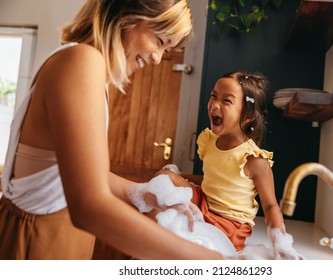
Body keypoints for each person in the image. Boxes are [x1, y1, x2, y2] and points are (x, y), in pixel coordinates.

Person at [0, 0, 223, 260]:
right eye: (160, 40)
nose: (157, 58)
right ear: (128, 15)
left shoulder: (84, 65)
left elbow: (73, 171)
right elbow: (89, 207)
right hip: (37, 242)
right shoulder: (81, 61)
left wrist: (140, 193)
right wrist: (210, 261)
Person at [158, 71, 302, 259]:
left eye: (226, 101)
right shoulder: (210, 141)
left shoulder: (254, 159)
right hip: (205, 204)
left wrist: (281, 243)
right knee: (164, 176)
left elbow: (271, 207)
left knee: (171, 225)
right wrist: (179, 175)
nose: (214, 105)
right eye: (213, 96)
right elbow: (213, 181)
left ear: (247, 116)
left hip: (228, 225)